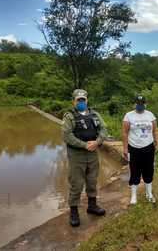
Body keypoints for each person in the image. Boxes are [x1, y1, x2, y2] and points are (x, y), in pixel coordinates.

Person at [62, 89, 108, 227]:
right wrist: (84, 145)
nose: (81, 102)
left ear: (87, 100)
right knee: (76, 183)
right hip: (77, 155)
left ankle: (92, 206)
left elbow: (104, 129)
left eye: (83, 100)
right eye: (78, 100)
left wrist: (97, 142)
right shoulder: (69, 116)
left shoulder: (94, 114)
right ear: (73, 101)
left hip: (93, 152)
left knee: (92, 180)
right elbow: (67, 135)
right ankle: (74, 211)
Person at [122, 95, 158, 205]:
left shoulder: (150, 115)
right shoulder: (128, 116)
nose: (140, 105)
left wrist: (157, 141)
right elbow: (124, 133)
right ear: (134, 104)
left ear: (145, 104)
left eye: (142, 103)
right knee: (134, 171)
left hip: (148, 147)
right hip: (133, 148)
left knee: (149, 170)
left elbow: (155, 130)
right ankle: (133, 196)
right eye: (138, 103)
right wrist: (125, 148)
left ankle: (149, 194)